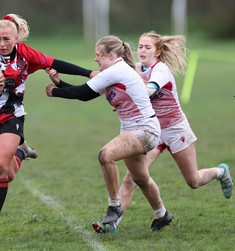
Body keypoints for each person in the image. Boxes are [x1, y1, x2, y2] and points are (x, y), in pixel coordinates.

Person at [0, 13, 95, 238]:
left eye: (6, 39)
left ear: (16, 38)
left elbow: (56, 63)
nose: (1, 44)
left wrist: (89, 73)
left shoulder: (27, 55)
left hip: (12, 117)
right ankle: (22, 151)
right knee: (6, 173)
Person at [98, 32, 234, 233]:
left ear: (158, 51)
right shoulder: (134, 69)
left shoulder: (161, 70)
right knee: (133, 178)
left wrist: (128, 93)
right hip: (151, 131)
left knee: (193, 181)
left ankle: (221, 171)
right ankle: (112, 224)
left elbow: (147, 91)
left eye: (148, 47)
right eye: (141, 46)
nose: (142, 51)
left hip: (175, 129)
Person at [45, 35, 173, 233]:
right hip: (132, 131)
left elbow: (82, 94)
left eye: (99, 55)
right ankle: (162, 214)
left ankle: (114, 206)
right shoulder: (113, 72)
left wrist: (54, 92)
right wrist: (60, 83)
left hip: (145, 129)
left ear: (111, 55)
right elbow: (85, 94)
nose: (96, 59)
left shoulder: (117, 70)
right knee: (141, 179)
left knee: (106, 155)